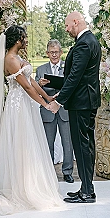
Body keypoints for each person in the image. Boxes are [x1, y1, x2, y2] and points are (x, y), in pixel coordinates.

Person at [0, 25, 62, 215]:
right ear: (17, 39)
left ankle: (31, 183)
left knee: (30, 142)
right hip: (17, 106)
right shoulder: (9, 59)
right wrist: (44, 104)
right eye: (24, 38)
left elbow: (32, 81)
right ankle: (19, 187)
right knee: (20, 144)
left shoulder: (19, 58)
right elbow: (25, 87)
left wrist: (48, 97)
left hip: (26, 105)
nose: (26, 41)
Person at [50, 11, 101, 204]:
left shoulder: (84, 44)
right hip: (85, 100)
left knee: (82, 146)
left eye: (66, 25)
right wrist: (57, 88)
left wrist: (59, 101)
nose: (66, 29)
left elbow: (75, 77)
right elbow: (79, 77)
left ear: (75, 22)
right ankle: (87, 187)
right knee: (85, 145)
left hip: (81, 103)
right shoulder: (89, 40)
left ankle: (87, 192)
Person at [35, 39, 74, 183]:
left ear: (61, 52)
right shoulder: (41, 70)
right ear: (47, 53)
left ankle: (68, 171)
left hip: (64, 109)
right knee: (47, 143)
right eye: (51, 52)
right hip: (47, 110)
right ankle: (49, 172)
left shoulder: (68, 67)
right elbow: (34, 90)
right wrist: (39, 84)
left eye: (56, 52)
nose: (54, 55)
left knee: (67, 143)